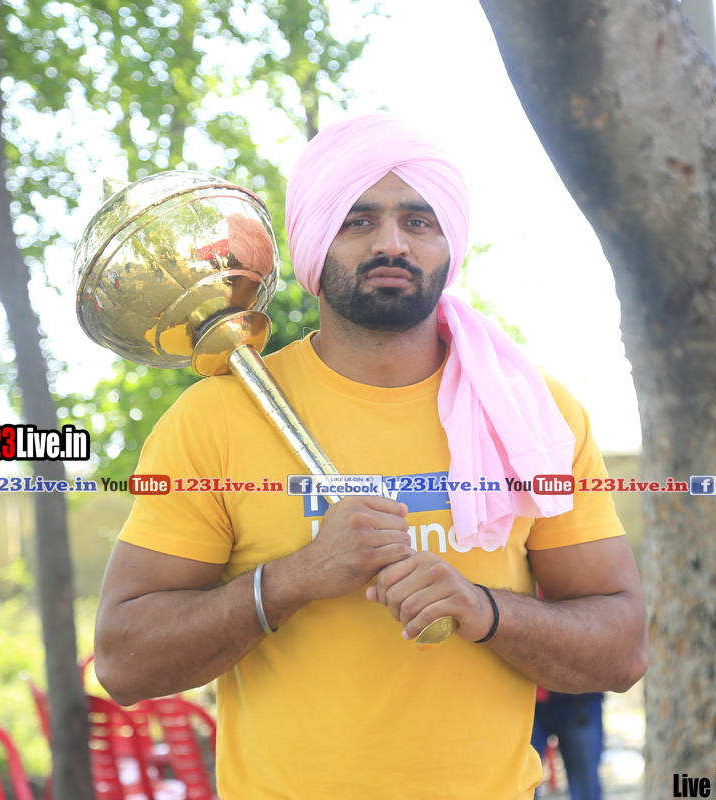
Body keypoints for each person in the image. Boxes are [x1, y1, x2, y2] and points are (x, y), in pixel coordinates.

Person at [93, 113, 649, 800]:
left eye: (419, 221)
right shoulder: (214, 420)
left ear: (450, 242)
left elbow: (622, 649)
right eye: (358, 221)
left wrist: (484, 610)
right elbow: (123, 660)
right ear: (314, 240)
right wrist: (293, 579)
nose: (392, 242)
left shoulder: (535, 416)